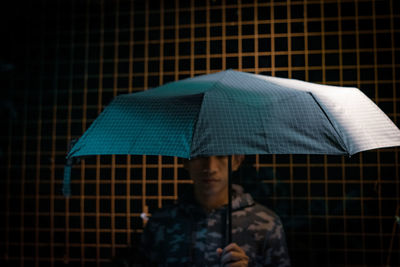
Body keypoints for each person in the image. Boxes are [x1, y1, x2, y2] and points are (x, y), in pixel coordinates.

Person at [140, 155, 291, 266]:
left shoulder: (266, 224)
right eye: (200, 155)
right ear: (185, 160)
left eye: (221, 155)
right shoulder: (161, 223)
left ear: (237, 161)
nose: (210, 167)